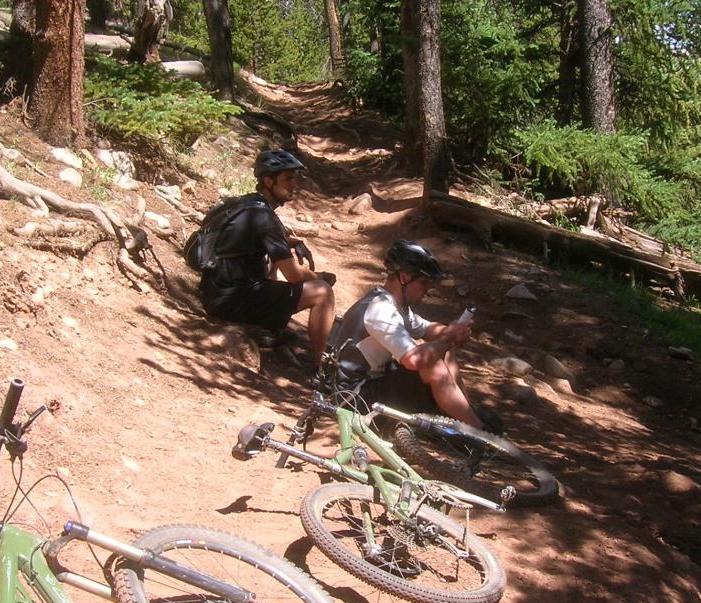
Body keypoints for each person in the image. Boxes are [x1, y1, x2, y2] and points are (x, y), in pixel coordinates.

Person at [327, 239, 492, 430]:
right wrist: (449, 338)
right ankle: (478, 434)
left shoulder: (394, 305)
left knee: (443, 351)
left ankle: (466, 416)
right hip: (353, 399)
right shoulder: (380, 310)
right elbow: (414, 360)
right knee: (433, 363)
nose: (427, 288)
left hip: (372, 386)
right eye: (423, 282)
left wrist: (451, 331)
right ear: (404, 278)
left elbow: (428, 330)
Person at [199, 148, 335, 366]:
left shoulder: (245, 204)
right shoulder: (265, 217)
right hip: (233, 300)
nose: (294, 184)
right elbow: (293, 277)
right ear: (269, 181)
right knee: (321, 292)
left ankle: (268, 328)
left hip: (215, 291)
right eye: (288, 178)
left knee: (272, 262)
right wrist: (317, 277)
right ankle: (323, 371)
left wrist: (292, 242)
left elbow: (248, 240)